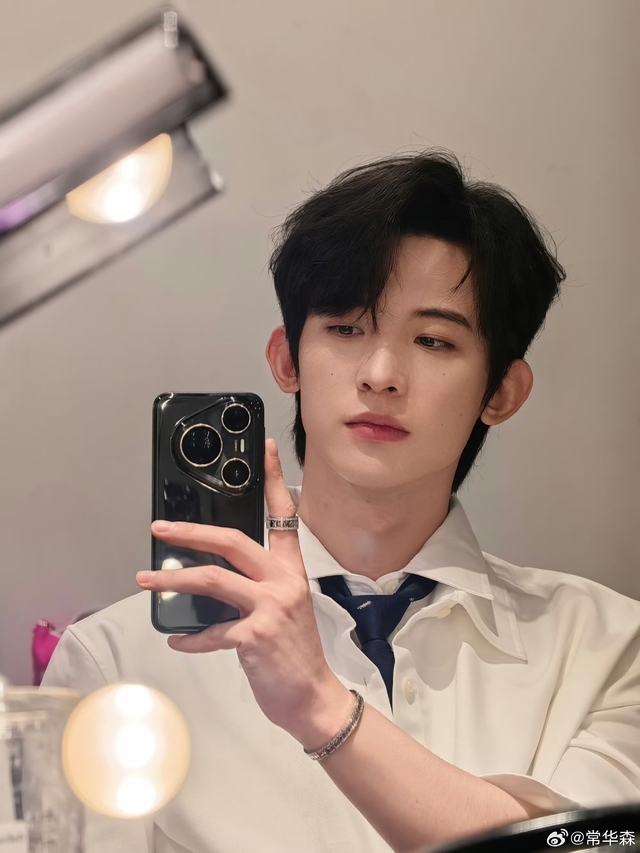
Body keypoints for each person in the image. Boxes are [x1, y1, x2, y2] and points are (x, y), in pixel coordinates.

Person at [42, 149, 640, 853]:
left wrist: (320, 706)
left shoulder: (608, 649)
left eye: (433, 340)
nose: (381, 375)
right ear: (286, 359)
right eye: (347, 329)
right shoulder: (120, 664)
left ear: (502, 392)